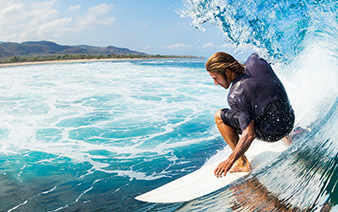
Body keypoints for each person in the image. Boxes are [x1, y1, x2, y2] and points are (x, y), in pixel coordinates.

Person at [205, 52, 295, 177]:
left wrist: (229, 161)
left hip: (273, 134)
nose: (215, 82)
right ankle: (289, 136)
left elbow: (249, 134)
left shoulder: (235, 95)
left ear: (227, 72)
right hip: (289, 121)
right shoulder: (256, 60)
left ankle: (242, 163)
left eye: (215, 77)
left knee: (219, 116)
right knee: (263, 97)